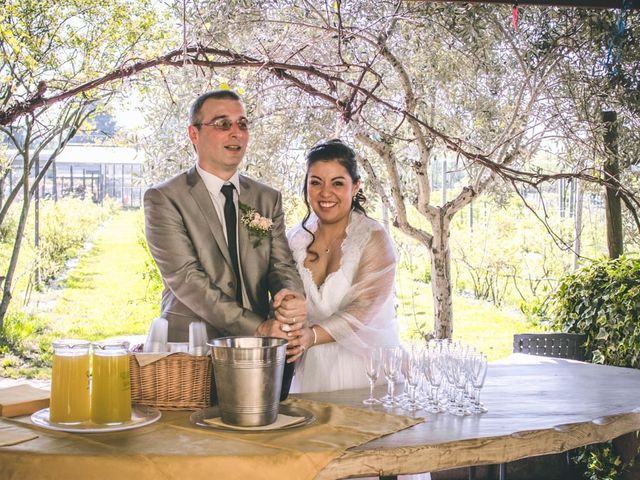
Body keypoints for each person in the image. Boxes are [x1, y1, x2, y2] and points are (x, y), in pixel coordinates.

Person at [144, 90, 307, 398]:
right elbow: (186, 278)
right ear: (194, 133)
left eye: (242, 124)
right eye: (222, 123)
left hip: (261, 357)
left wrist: (290, 296)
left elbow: (281, 265)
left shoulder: (265, 198)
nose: (236, 133)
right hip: (192, 354)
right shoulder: (164, 198)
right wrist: (258, 328)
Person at [286, 139, 400, 393]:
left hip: (364, 369)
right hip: (308, 368)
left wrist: (311, 336)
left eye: (337, 183)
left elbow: (364, 307)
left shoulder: (373, 238)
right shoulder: (294, 240)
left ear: (356, 186)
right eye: (316, 183)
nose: (326, 193)